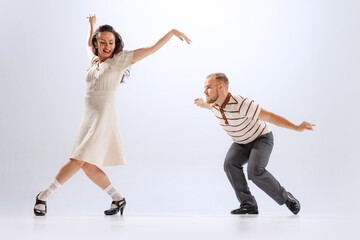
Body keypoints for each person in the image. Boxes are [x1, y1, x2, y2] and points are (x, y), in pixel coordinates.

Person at [33, 14, 191, 216]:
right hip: (88, 118)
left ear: (115, 44)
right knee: (87, 164)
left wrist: (172, 32)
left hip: (103, 118)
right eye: (103, 42)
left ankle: (43, 196)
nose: (107, 46)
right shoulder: (93, 61)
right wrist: (91, 25)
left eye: (111, 42)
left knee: (77, 159)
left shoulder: (119, 61)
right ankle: (118, 199)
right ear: (97, 44)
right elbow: (87, 46)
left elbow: (150, 49)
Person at [194, 73, 315, 215]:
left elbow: (270, 116)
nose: (204, 91)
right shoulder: (214, 105)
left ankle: (286, 197)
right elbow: (209, 107)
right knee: (229, 164)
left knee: (255, 172)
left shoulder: (241, 104)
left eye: (208, 87)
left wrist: (296, 127)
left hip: (261, 138)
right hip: (241, 143)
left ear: (221, 87)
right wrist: (202, 103)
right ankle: (248, 204)